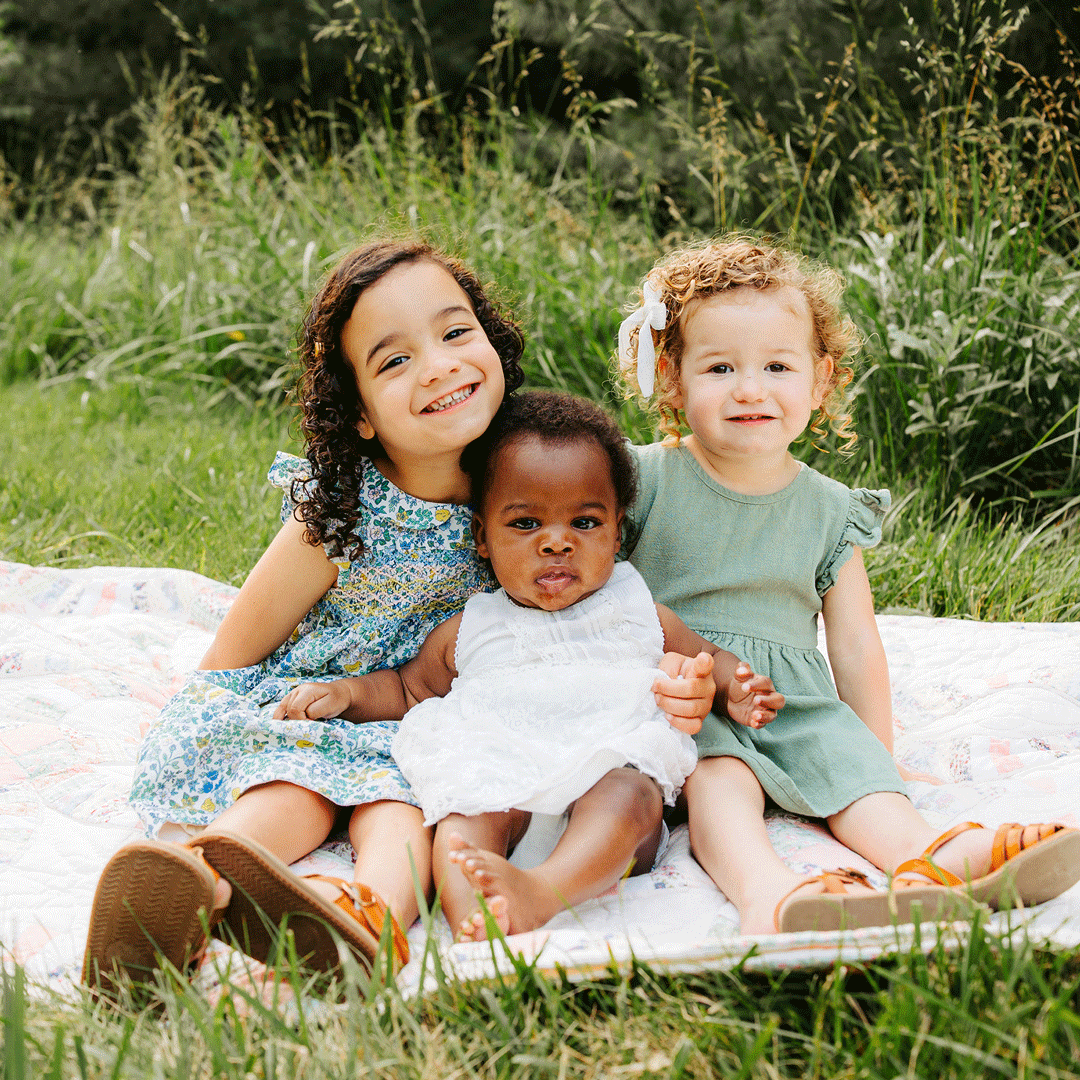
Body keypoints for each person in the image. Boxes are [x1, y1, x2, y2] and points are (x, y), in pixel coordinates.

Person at [83, 238, 534, 996]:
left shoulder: (533, 474)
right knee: (295, 782)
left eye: (457, 333)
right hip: (322, 702)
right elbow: (241, 643)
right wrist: (216, 716)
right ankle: (191, 882)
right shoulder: (341, 507)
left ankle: (366, 918)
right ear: (357, 412)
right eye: (395, 361)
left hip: (433, 721)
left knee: (404, 807)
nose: (439, 366)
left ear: (491, 341)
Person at [614, 237, 1080, 935]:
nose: (750, 387)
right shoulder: (646, 479)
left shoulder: (831, 508)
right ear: (674, 378)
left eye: (777, 365)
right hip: (688, 692)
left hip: (793, 698)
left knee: (851, 771)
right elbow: (602, 590)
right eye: (720, 367)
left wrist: (876, 755)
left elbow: (856, 643)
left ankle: (931, 856)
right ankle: (767, 891)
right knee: (721, 779)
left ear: (821, 380)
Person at [274, 391, 783, 942]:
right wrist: (348, 695)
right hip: (500, 774)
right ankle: (479, 915)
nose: (557, 542)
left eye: (584, 522)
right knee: (461, 818)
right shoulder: (472, 626)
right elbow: (408, 688)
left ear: (617, 532)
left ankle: (544, 891)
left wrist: (735, 687)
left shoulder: (638, 611)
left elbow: (705, 656)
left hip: (606, 780)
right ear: (482, 539)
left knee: (631, 794)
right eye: (525, 524)